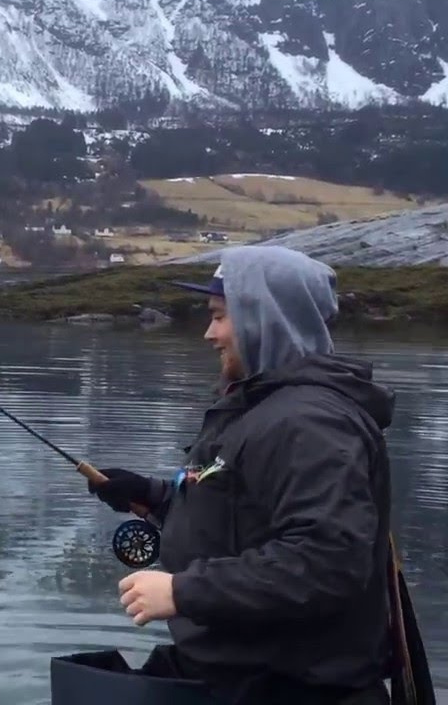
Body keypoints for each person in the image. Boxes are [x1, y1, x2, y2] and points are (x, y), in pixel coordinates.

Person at [88, 245, 398, 704]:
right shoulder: (260, 407)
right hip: (234, 678)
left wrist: (182, 590)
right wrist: (152, 497)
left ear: (263, 319)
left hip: (290, 690)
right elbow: (238, 509)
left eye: (219, 316)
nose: (208, 334)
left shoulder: (308, 422)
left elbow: (327, 561)